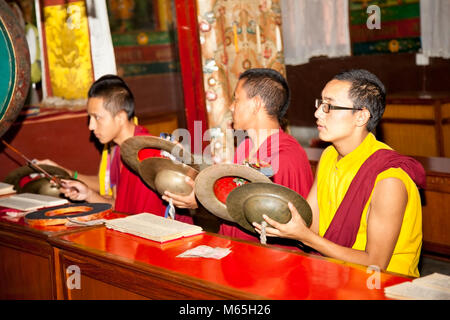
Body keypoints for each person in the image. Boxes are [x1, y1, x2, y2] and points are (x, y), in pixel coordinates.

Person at [254, 69, 425, 277]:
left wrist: (304, 236)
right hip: (334, 272)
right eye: (320, 104)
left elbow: (376, 263)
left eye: (329, 106)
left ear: (361, 116)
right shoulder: (329, 155)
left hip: (385, 286)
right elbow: (311, 223)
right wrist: (261, 203)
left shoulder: (389, 178)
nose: (318, 113)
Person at [164, 68, 314, 247]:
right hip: (234, 247)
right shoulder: (244, 147)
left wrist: (200, 202)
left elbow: (267, 219)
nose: (231, 106)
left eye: (236, 98)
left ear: (256, 104)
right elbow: (232, 200)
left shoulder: (285, 157)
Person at [39, 75, 168, 217]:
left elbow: (148, 220)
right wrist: (87, 194)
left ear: (120, 117)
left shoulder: (147, 153)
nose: (91, 126)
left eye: (97, 117)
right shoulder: (117, 150)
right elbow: (119, 206)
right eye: (90, 118)